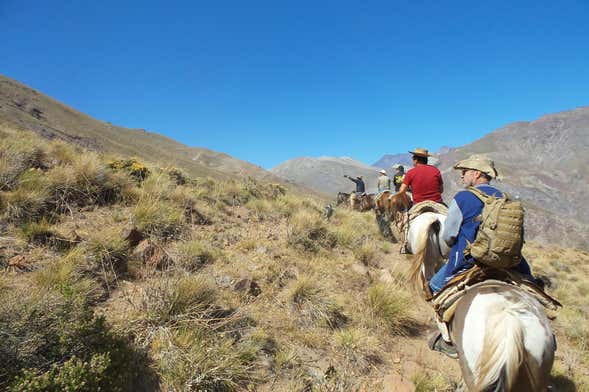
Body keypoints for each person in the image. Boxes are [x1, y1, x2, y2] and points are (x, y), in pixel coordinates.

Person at [428, 155, 537, 357]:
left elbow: (449, 235)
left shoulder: (463, 198)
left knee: (434, 286)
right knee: (533, 289)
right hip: (508, 264)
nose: (462, 176)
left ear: (477, 174)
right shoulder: (505, 198)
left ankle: (448, 342)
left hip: (469, 263)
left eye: (465, 172)